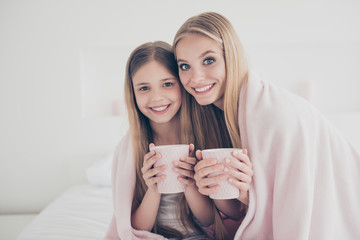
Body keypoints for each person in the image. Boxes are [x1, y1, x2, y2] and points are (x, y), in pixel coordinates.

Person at [173, 12, 360, 240]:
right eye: (184, 66)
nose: (196, 77)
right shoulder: (214, 116)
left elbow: (296, 209)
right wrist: (222, 189)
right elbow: (246, 210)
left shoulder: (272, 116)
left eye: (208, 60)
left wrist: (248, 193)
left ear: (230, 57)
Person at [104, 41, 252, 240]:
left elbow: (210, 221)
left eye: (167, 84)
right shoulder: (130, 149)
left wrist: (189, 183)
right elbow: (135, 229)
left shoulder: (204, 136)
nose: (157, 97)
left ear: (182, 84)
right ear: (132, 94)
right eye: (144, 88)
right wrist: (153, 188)